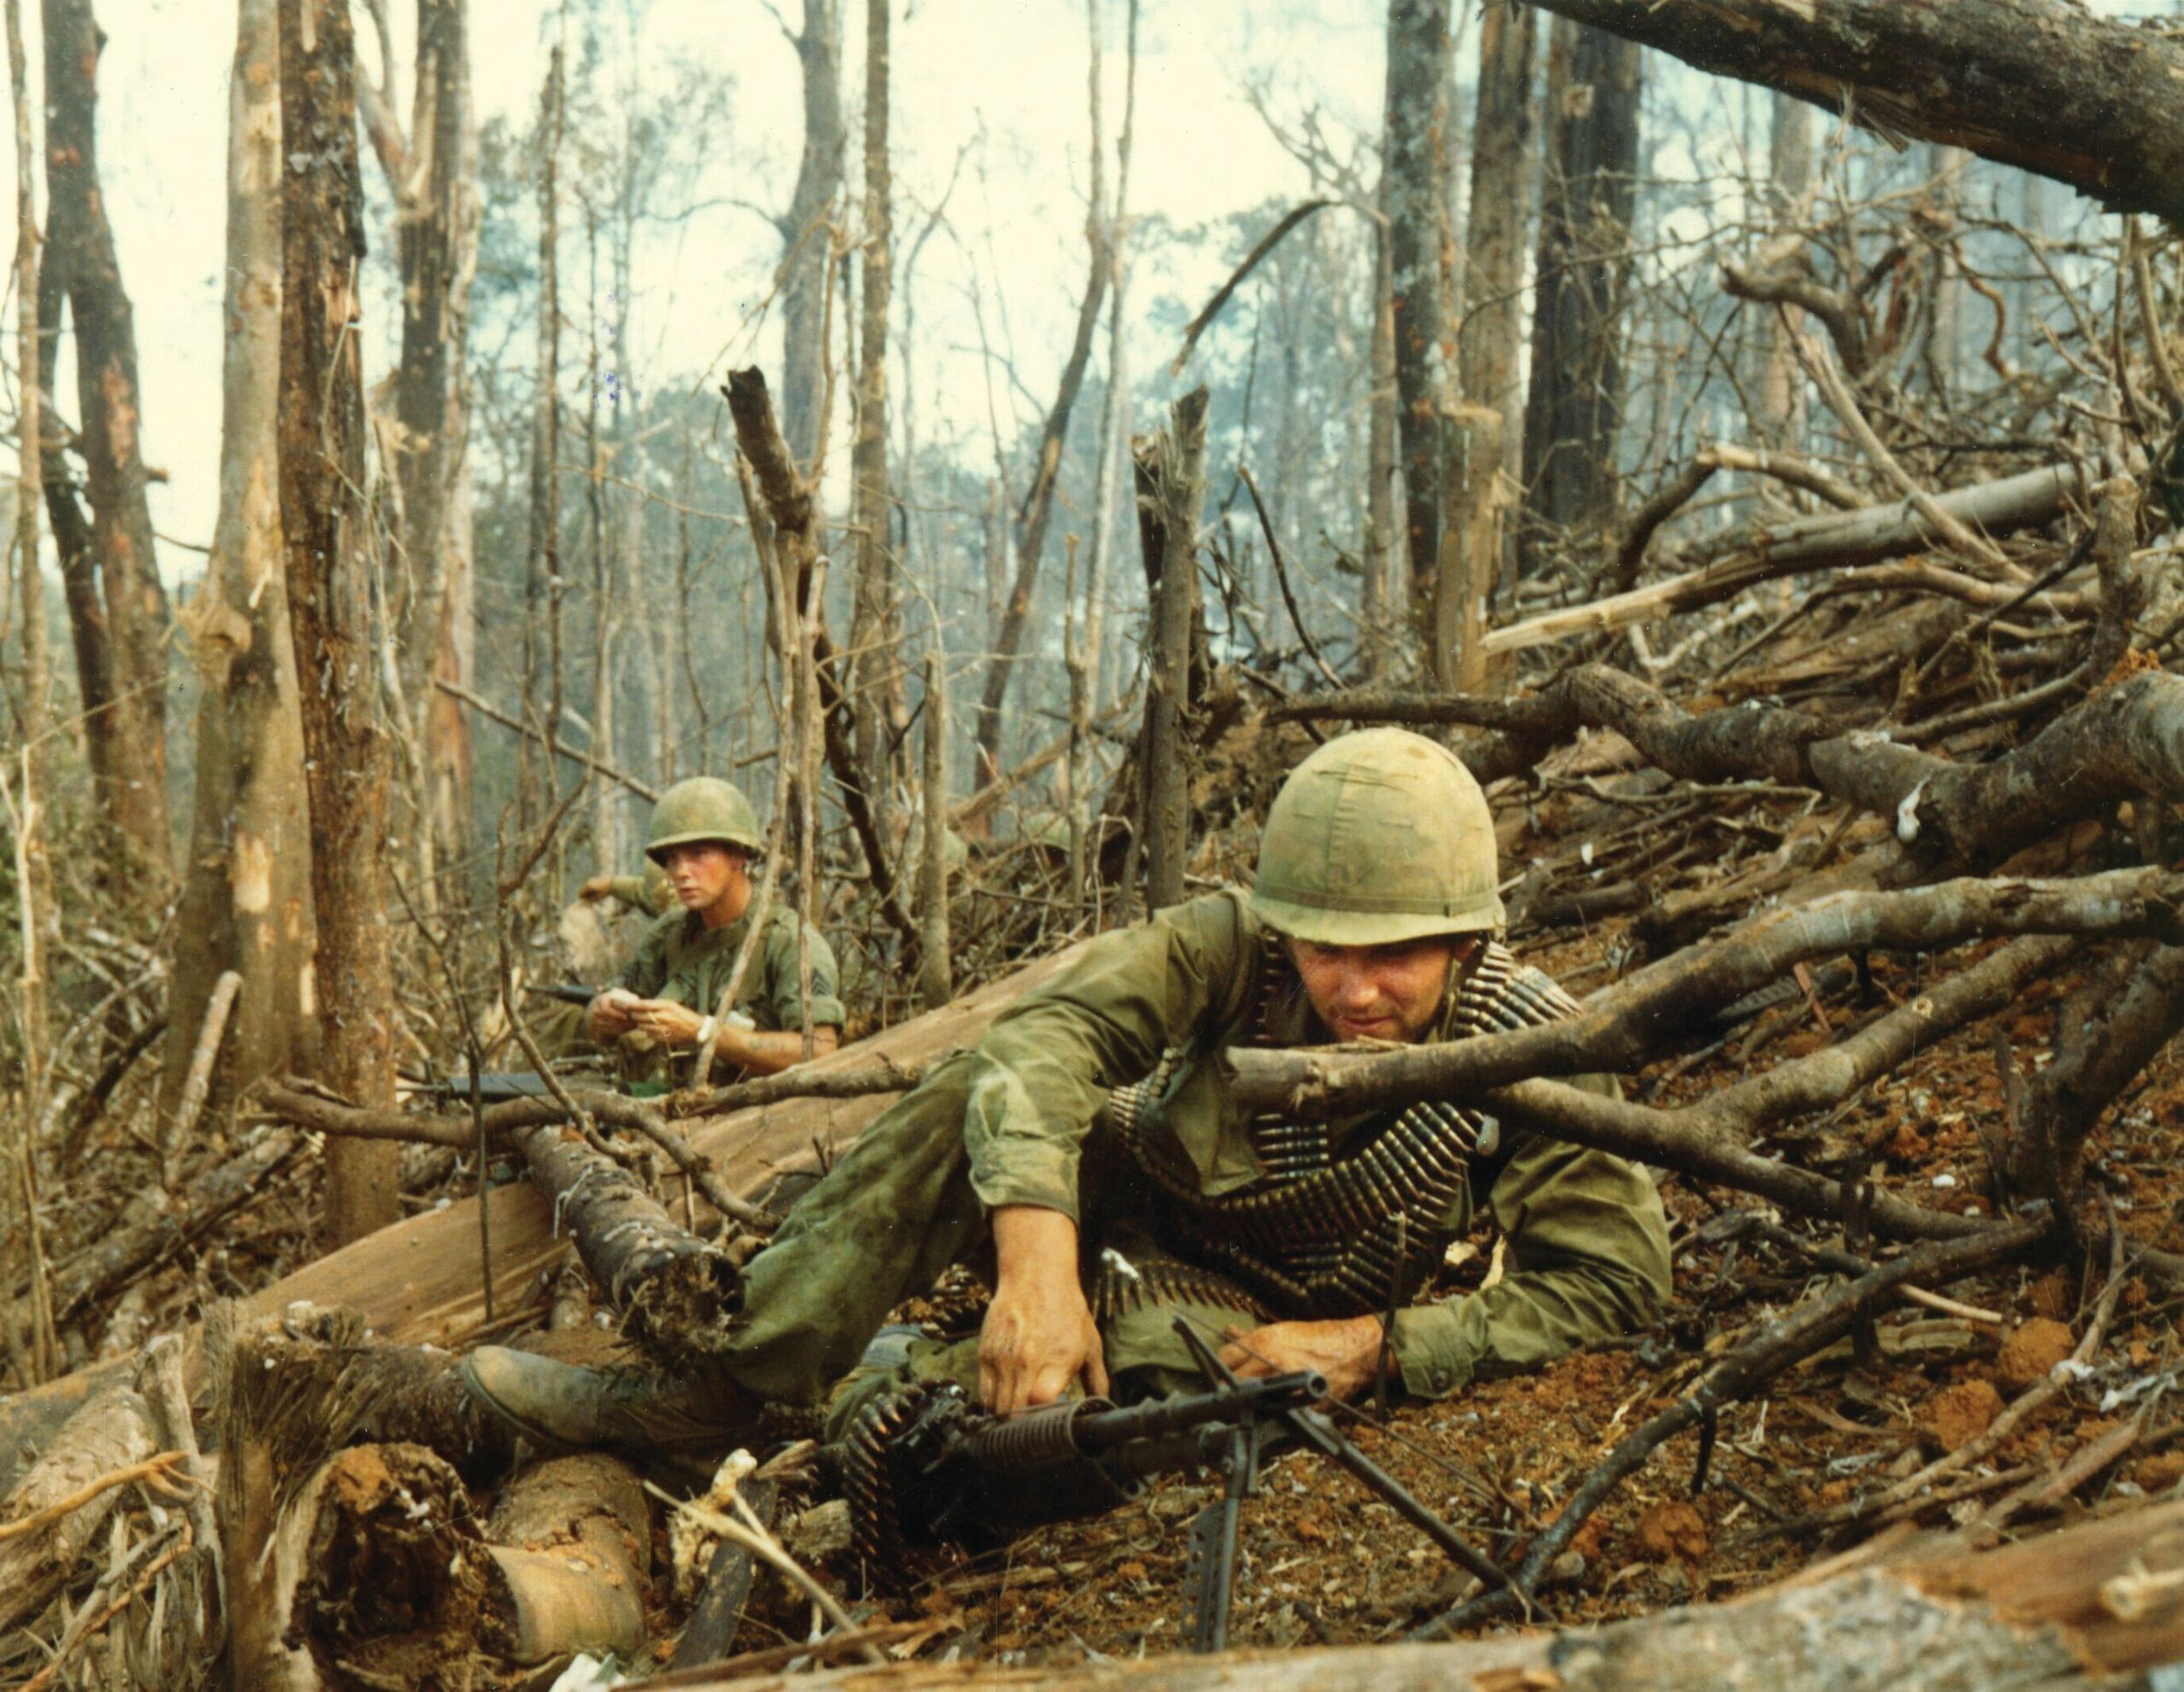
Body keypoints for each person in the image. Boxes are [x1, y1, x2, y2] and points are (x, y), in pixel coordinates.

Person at [464, 729, 1670, 1451]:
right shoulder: (1227, 944)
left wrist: (1386, 1343)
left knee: (1135, 1389)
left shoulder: (1531, 1044)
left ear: (1465, 940)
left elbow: (1614, 1287)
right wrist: (1040, 1269)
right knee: (978, 1083)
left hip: (1238, 1311)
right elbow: (1047, 1042)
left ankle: (853, 1394)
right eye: (1324, 949)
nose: (1352, 990)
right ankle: (733, 1374)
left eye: (1393, 955)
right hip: (1116, 1205)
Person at [584, 776, 846, 1082]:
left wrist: (703, 1031)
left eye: (697, 855)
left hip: (761, 1119)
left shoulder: (788, 941)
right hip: (676, 1109)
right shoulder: (670, 933)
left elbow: (822, 1052)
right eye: (672, 859)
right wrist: (601, 1014)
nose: (681, 872)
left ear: (738, 855)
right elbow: (601, 1027)